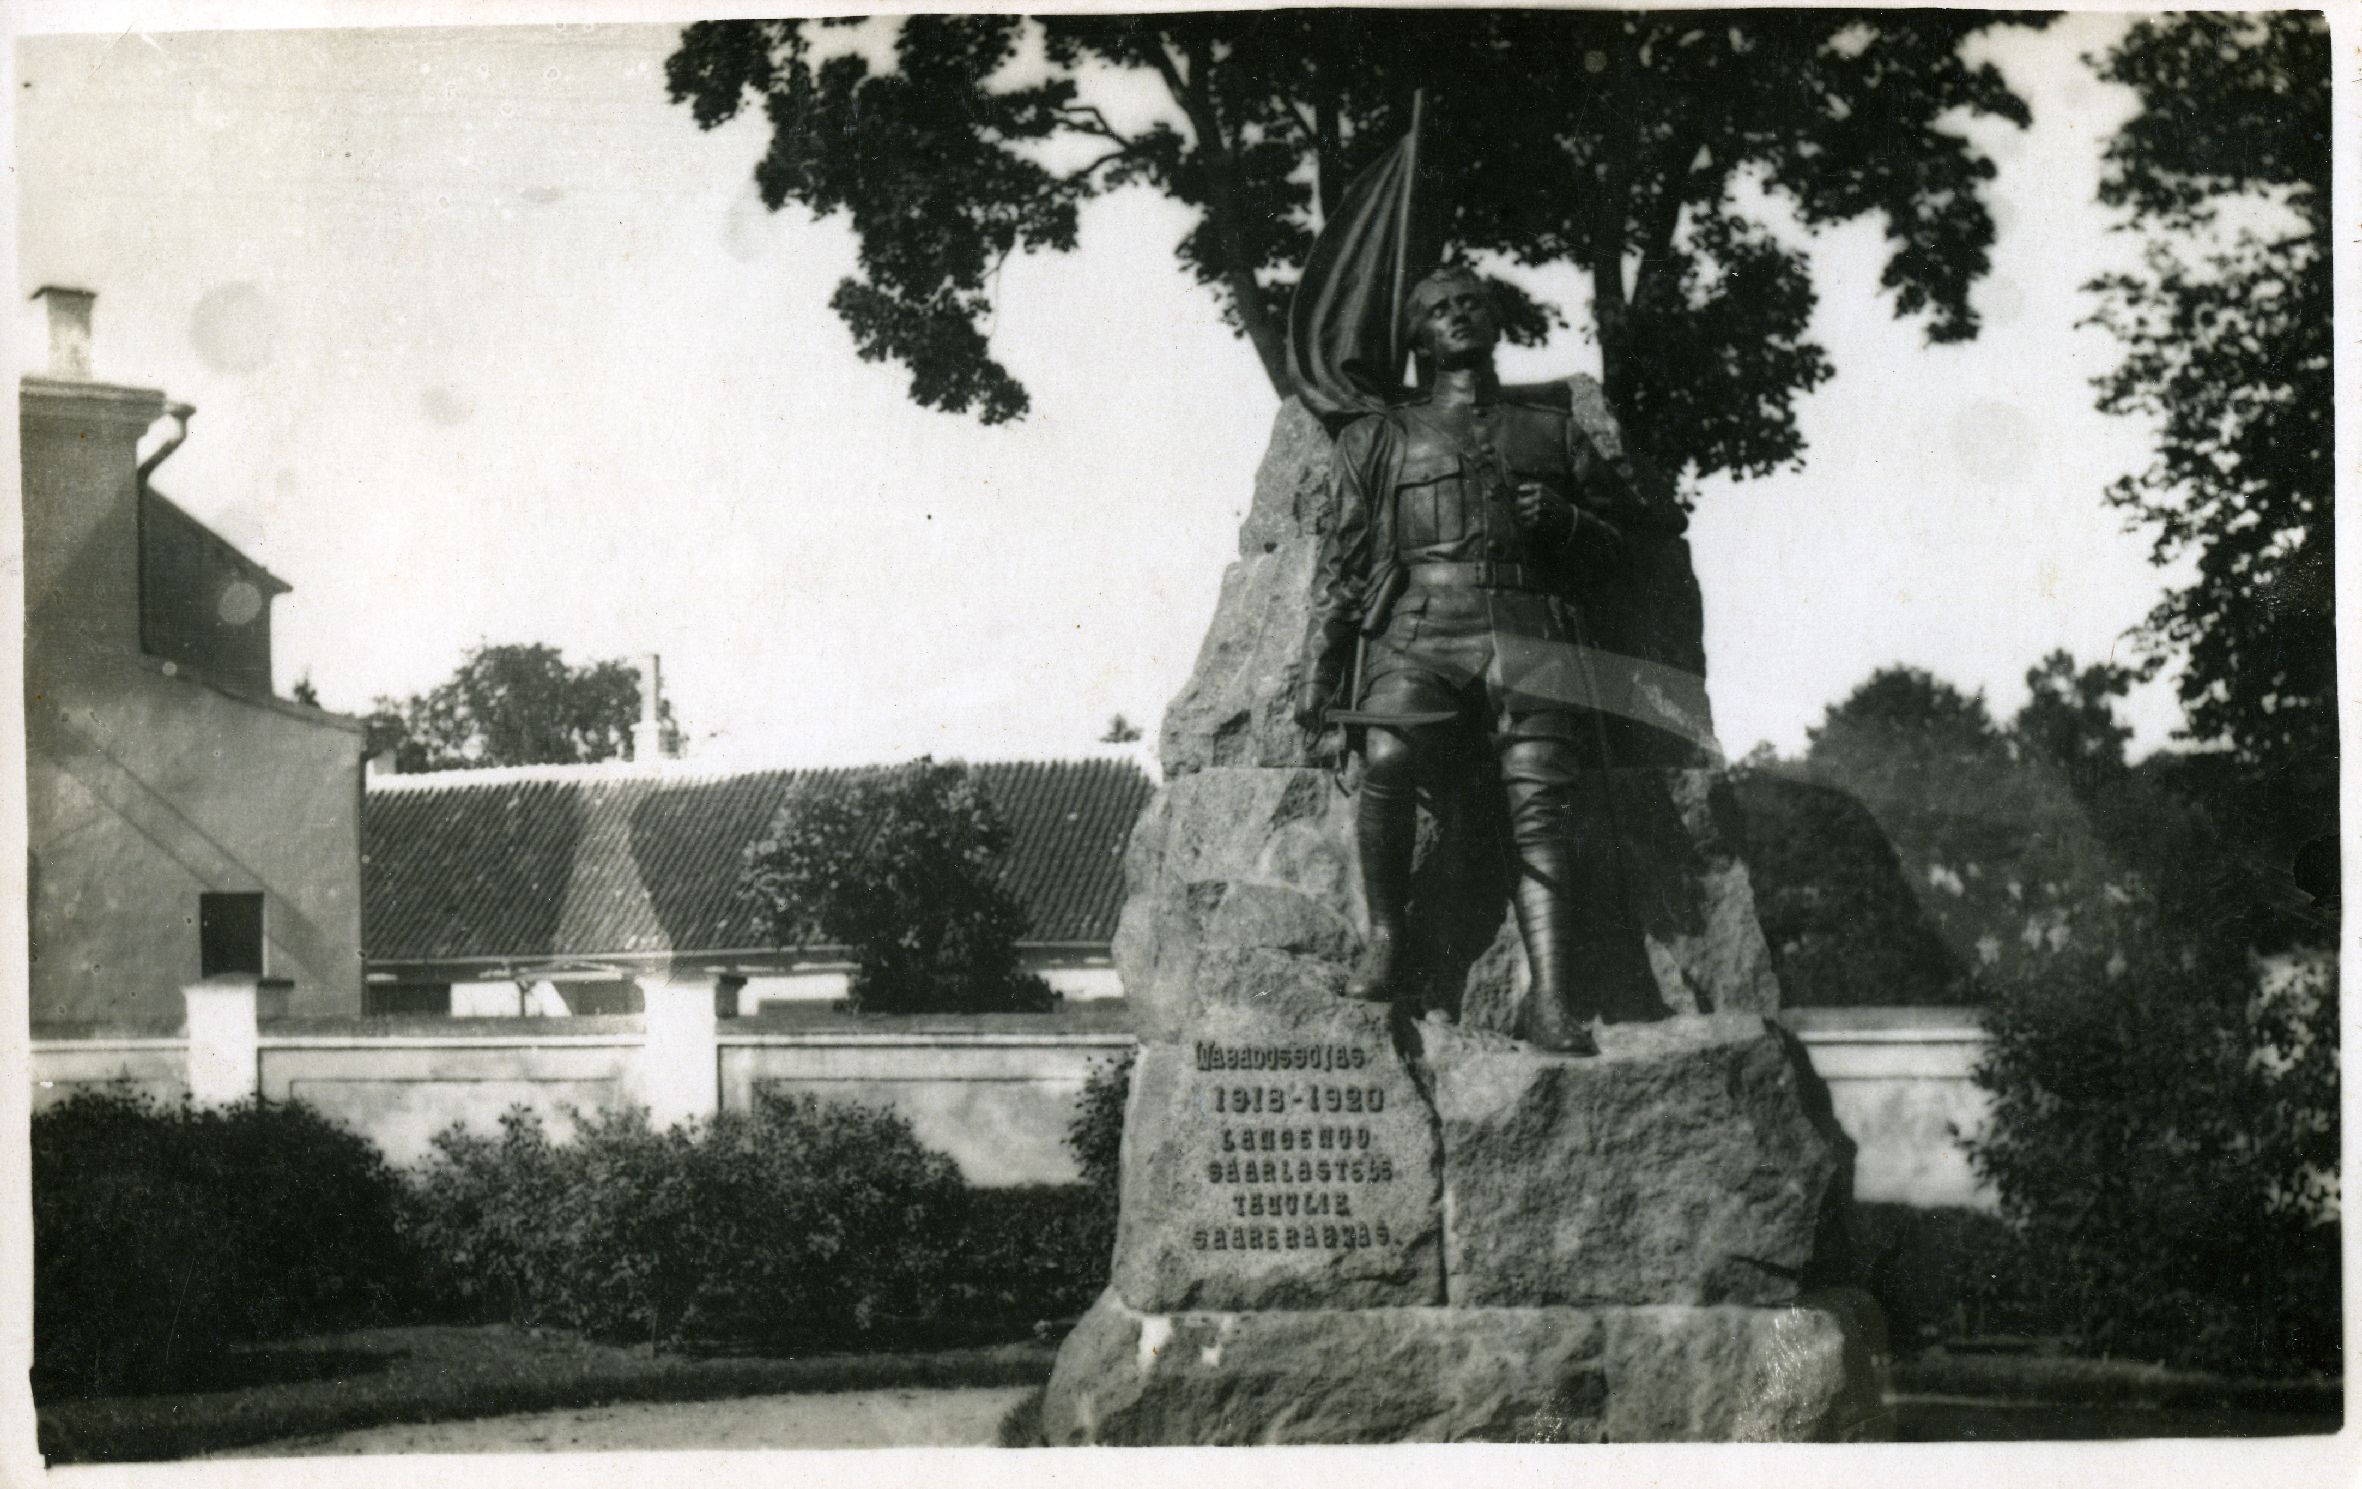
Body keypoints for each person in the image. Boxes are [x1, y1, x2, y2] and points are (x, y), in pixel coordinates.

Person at [1291, 265, 1686, 1055]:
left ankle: (1553, 998)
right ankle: (1385, 940)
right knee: (1391, 755)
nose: (1458, 314)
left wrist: (1569, 521)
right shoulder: (1380, 438)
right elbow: (1343, 568)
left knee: (1542, 803)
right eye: (1438, 309)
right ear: (1416, 338)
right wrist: (1320, 678)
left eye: (1472, 302)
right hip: (1421, 626)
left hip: (1531, 630)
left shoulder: (1551, 429)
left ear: (1494, 322)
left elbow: (1634, 556)